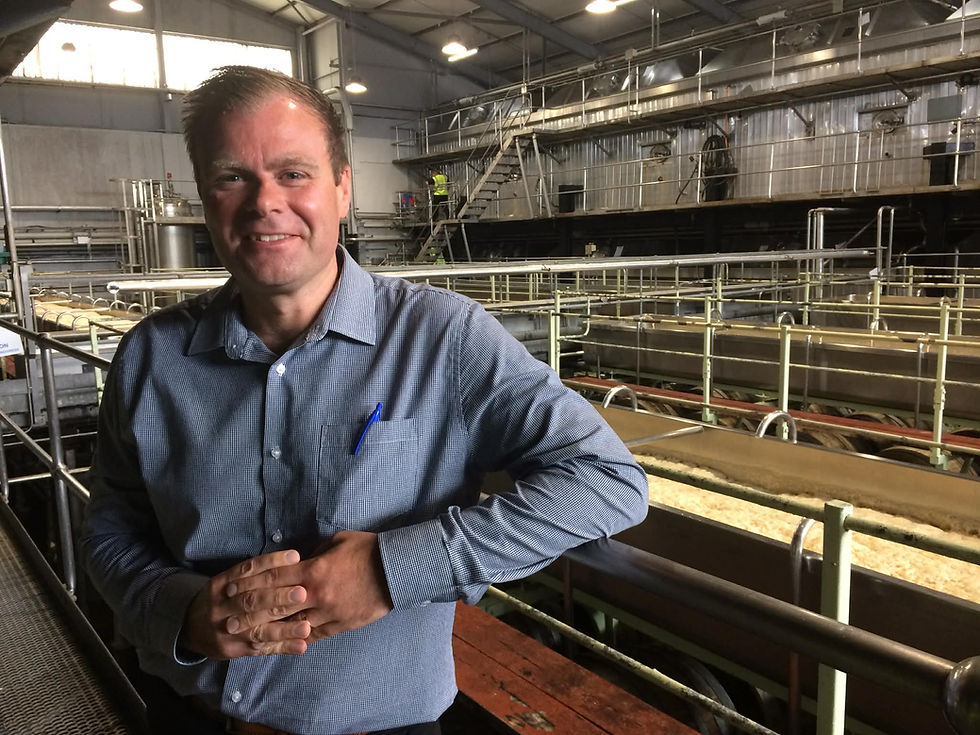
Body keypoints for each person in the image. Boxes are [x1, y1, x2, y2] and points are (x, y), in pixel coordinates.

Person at [81, 65, 648, 735]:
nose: (265, 202)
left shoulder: (446, 339)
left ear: (343, 187)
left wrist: (393, 569)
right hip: (188, 715)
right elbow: (112, 529)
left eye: (294, 173)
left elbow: (607, 480)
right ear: (205, 196)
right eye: (233, 176)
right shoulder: (151, 357)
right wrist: (180, 612)